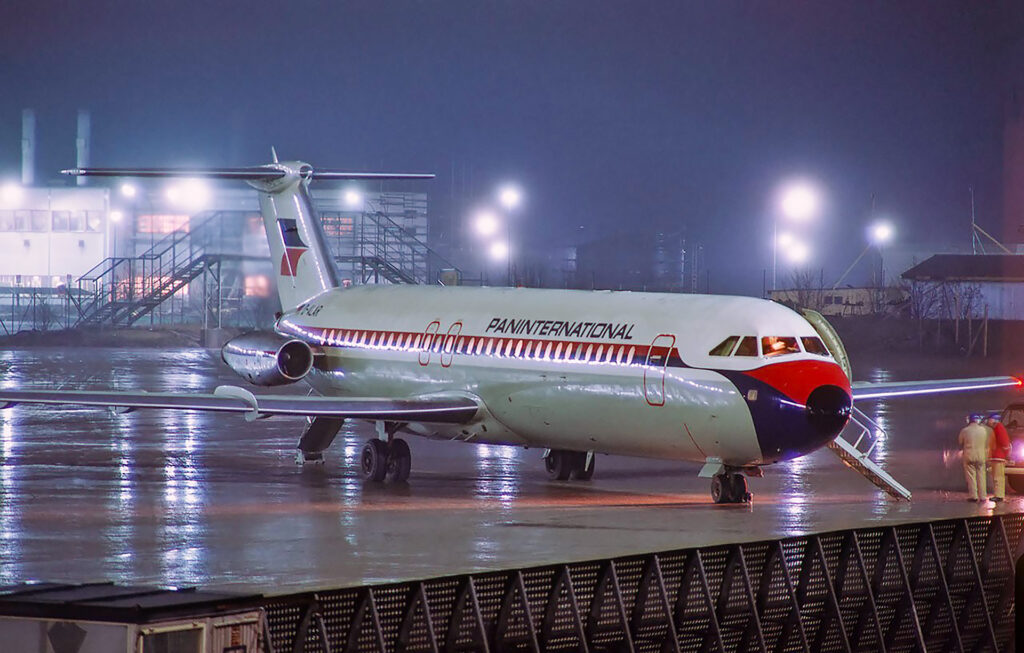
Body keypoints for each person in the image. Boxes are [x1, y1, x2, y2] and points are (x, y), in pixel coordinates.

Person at [958, 414, 990, 502]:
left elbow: (960, 441)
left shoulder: (965, 430)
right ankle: (983, 496)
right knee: (982, 476)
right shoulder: (983, 430)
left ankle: (973, 496)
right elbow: (987, 442)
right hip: (981, 455)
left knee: (971, 476)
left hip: (969, 455)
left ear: (970, 420)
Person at [988, 413, 1011, 502]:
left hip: (998, 456)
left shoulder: (998, 427)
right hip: (997, 456)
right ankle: (998, 494)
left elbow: (1004, 441)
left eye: (990, 419)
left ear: (993, 420)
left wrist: (1004, 452)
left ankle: (999, 495)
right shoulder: (997, 428)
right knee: (997, 476)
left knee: (997, 477)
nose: (988, 421)